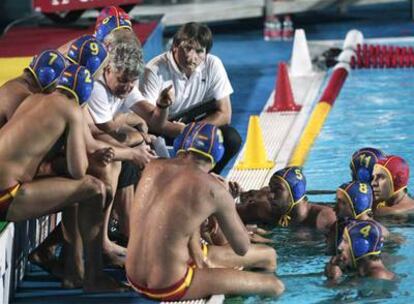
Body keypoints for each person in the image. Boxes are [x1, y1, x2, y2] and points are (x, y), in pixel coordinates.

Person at [0, 64, 132, 291]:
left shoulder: (34, 99)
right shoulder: (71, 109)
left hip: (8, 187)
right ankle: (93, 277)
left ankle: (73, 269)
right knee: (94, 188)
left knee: (75, 188)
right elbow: (78, 170)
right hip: (6, 197)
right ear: (83, 96)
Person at [126, 122, 284, 301]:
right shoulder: (214, 190)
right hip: (168, 284)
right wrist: (227, 203)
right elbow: (242, 247)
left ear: (181, 146)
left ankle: (225, 280)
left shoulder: (152, 167)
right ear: (217, 156)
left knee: (267, 255)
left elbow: (175, 216)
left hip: (132, 277)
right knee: (274, 285)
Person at [140, 22, 242, 173]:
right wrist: (182, 131)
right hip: (163, 128)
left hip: (193, 125)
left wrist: (192, 131)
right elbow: (150, 121)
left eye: (199, 51)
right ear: (175, 45)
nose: (191, 56)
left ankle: (207, 179)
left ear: (206, 53)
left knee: (231, 139)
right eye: (187, 48)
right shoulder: (154, 70)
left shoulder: (213, 64)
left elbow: (225, 114)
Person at [236, 167, 336, 234]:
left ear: (294, 194)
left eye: (277, 189)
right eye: (270, 188)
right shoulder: (273, 209)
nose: (271, 195)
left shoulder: (324, 219)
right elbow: (231, 212)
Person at [0, 49, 66, 128]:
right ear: (47, 78)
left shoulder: (16, 85)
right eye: (57, 86)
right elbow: (23, 137)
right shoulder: (22, 97)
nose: (57, 90)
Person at [326, 181, 389, 255]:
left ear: (357, 205)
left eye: (341, 202)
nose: (334, 208)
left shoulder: (379, 233)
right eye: (336, 201)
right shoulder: (338, 226)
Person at [325, 220, 394, 282]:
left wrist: (332, 280)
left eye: (340, 252)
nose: (339, 246)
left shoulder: (378, 275)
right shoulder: (361, 271)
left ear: (359, 247)